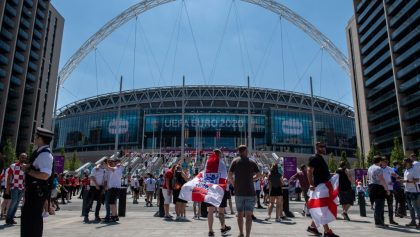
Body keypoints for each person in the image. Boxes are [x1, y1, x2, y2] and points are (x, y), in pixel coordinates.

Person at [21, 127, 54, 237]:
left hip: (36, 192)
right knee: (29, 219)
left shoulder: (45, 155)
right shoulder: (40, 152)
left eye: (37, 136)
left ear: (41, 139)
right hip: (33, 191)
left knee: (32, 220)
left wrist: (28, 169)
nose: (35, 138)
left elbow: (45, 175)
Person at [306, 142, 339, 237]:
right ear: (317, 147)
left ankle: (312, 227)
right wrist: (311, 184)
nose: (324, 148)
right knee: (323, 208)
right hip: (320, 187)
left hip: (324, 186)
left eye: (324, 146)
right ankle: (327, 231)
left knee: (321, 208)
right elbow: (309, 171)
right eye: (321, 146)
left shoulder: (320, 158)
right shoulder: (314, 158)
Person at [228, 145, 261, 237]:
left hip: (239, 192)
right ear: (245, 151)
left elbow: (229, 176)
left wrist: (234, 184)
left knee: (239, 214)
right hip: (250, 192)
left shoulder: (235, 161)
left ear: (239, 152)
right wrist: (252, 179)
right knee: (249, 215)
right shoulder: (252, 162)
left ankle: (241, 233)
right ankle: (247, 235)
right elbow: (259, 175)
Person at [203, 149, 231, 237]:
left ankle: (210, 231)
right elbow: (225, 177)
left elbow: (205, 176)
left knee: (210, 211)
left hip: (211, 189)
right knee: (221, 211)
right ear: (219, 155)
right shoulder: (221, 163)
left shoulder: (208, 162)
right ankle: (223, 228)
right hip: (220, 189)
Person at [5, 153, 27, 225]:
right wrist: (7, 189)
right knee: (14, 201)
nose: (23, 159)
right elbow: (9, 178)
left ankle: (11, 218)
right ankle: (8, 218)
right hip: (14, 186)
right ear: (19, 157)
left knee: (17, 203)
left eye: (25, 158)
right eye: (22, 157)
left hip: (22, 188)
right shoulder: (13, 166)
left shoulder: (26, 167)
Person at [367, 155, 390, 228]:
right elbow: (381, 179)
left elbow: (367, 177)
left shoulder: (370, 167)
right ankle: (378, 222)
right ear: (380, 161)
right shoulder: (378, 168)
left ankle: (380, 221)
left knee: (377, 205)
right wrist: (387, 189)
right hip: (378, 187)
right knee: (379, 205)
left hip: (371, 186)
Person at [402, 158, 420, 228]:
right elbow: (407, 180)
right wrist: (402, 180)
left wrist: (406, 181)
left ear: (408, 163)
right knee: (410, 207)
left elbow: (417, 179)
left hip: (414, 191)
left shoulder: (414, 169)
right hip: (407, 190)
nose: (403, 163)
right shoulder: (406, 170)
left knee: (416, 207)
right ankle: (413, 221)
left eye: (404, 162)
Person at [104, 157, 123, 222]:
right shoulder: (117, 168)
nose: (114, 162)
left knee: (111, 203)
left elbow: (109, 168)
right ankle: (115, 216)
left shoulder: (117, 168)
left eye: (115, 161)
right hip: (114, 188)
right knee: (113, 203)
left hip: (114, 188)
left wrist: (106, 163)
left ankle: (113, 216)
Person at [381, 158, 399, 225]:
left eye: (386, 162)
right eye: (384, 162)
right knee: (381, 205)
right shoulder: (379, 169)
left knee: (390, 205)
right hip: (382, 189)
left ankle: (391, 220)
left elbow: (396, 176)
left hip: (390, 189)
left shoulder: (389, 168)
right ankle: (381, 220)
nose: (385, 163)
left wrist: (393, 182)